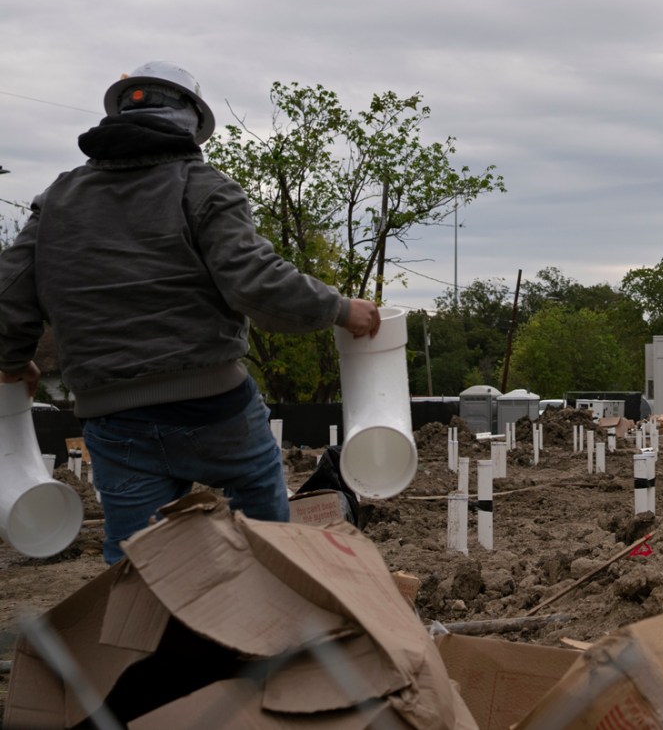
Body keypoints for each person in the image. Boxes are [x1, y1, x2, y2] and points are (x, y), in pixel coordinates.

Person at [0, 61, 381, 564]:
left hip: (113, 418)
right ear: (190, 124)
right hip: (214, 406)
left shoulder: (57, 200)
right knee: (265, 522)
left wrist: (10, 361)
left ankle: (146, 637)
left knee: (138, 564)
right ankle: (269, 617)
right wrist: (339, 308)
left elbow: (10, 292)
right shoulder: (201, 186)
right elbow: (256, 283)